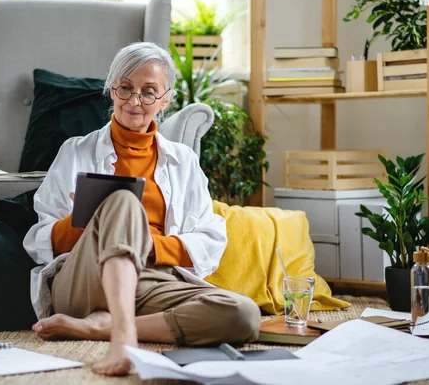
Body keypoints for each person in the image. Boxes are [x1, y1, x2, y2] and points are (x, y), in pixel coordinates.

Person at [23, 42, 261, 377]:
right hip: (84, 282)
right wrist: (87, 221)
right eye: (126, 88)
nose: (135, 101)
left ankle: (101, 327)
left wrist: (146, 246)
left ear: (165, 100)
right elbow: (38, 240)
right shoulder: (75, 151)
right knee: (121, 199)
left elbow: (210, 238)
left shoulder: (184, 161)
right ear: (112, 90)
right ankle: (123, 339)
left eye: (149, 92)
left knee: (243, 315)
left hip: (152, 281)